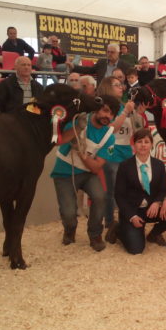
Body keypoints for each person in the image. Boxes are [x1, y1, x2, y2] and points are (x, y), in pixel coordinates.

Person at [51, 96, 120, 251]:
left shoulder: (109, 137)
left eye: (112, 114)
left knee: (99, 197)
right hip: (63, 173)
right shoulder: (79, 119)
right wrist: (77, 129)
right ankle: (70, 229)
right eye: (105, 111)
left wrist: (83, 155)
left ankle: (95, 234)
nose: (107, 116)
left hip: (88, 173)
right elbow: (59, 141)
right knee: (69, 212)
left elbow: (96, 168)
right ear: (97, 109)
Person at [114, 128, 166, 254]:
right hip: (132, 211)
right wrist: (132, 216)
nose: (143, 145)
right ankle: (118, 229)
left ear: (151, 145)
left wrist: (157, 203)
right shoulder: (124, 166)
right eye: (139, 142)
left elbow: (163, 190)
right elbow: (119, 195)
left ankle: (154, 234)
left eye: (146, 142)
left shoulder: (159, 165)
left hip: (151, 209)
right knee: (136, 250)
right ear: (134, 144)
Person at [96, 76, 145, 240]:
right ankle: (110, 222)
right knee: (113, 191)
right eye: (116, 85)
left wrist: (138, 114)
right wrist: (125, 112)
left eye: (120, 85)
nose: (121, 88)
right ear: (107, 87)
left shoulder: (125, 105)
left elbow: (137, 129)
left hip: (126, 151)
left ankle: (122, 220)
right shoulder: (105, 107)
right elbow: (110, 129)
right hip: (111, 150)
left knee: (126, 189)